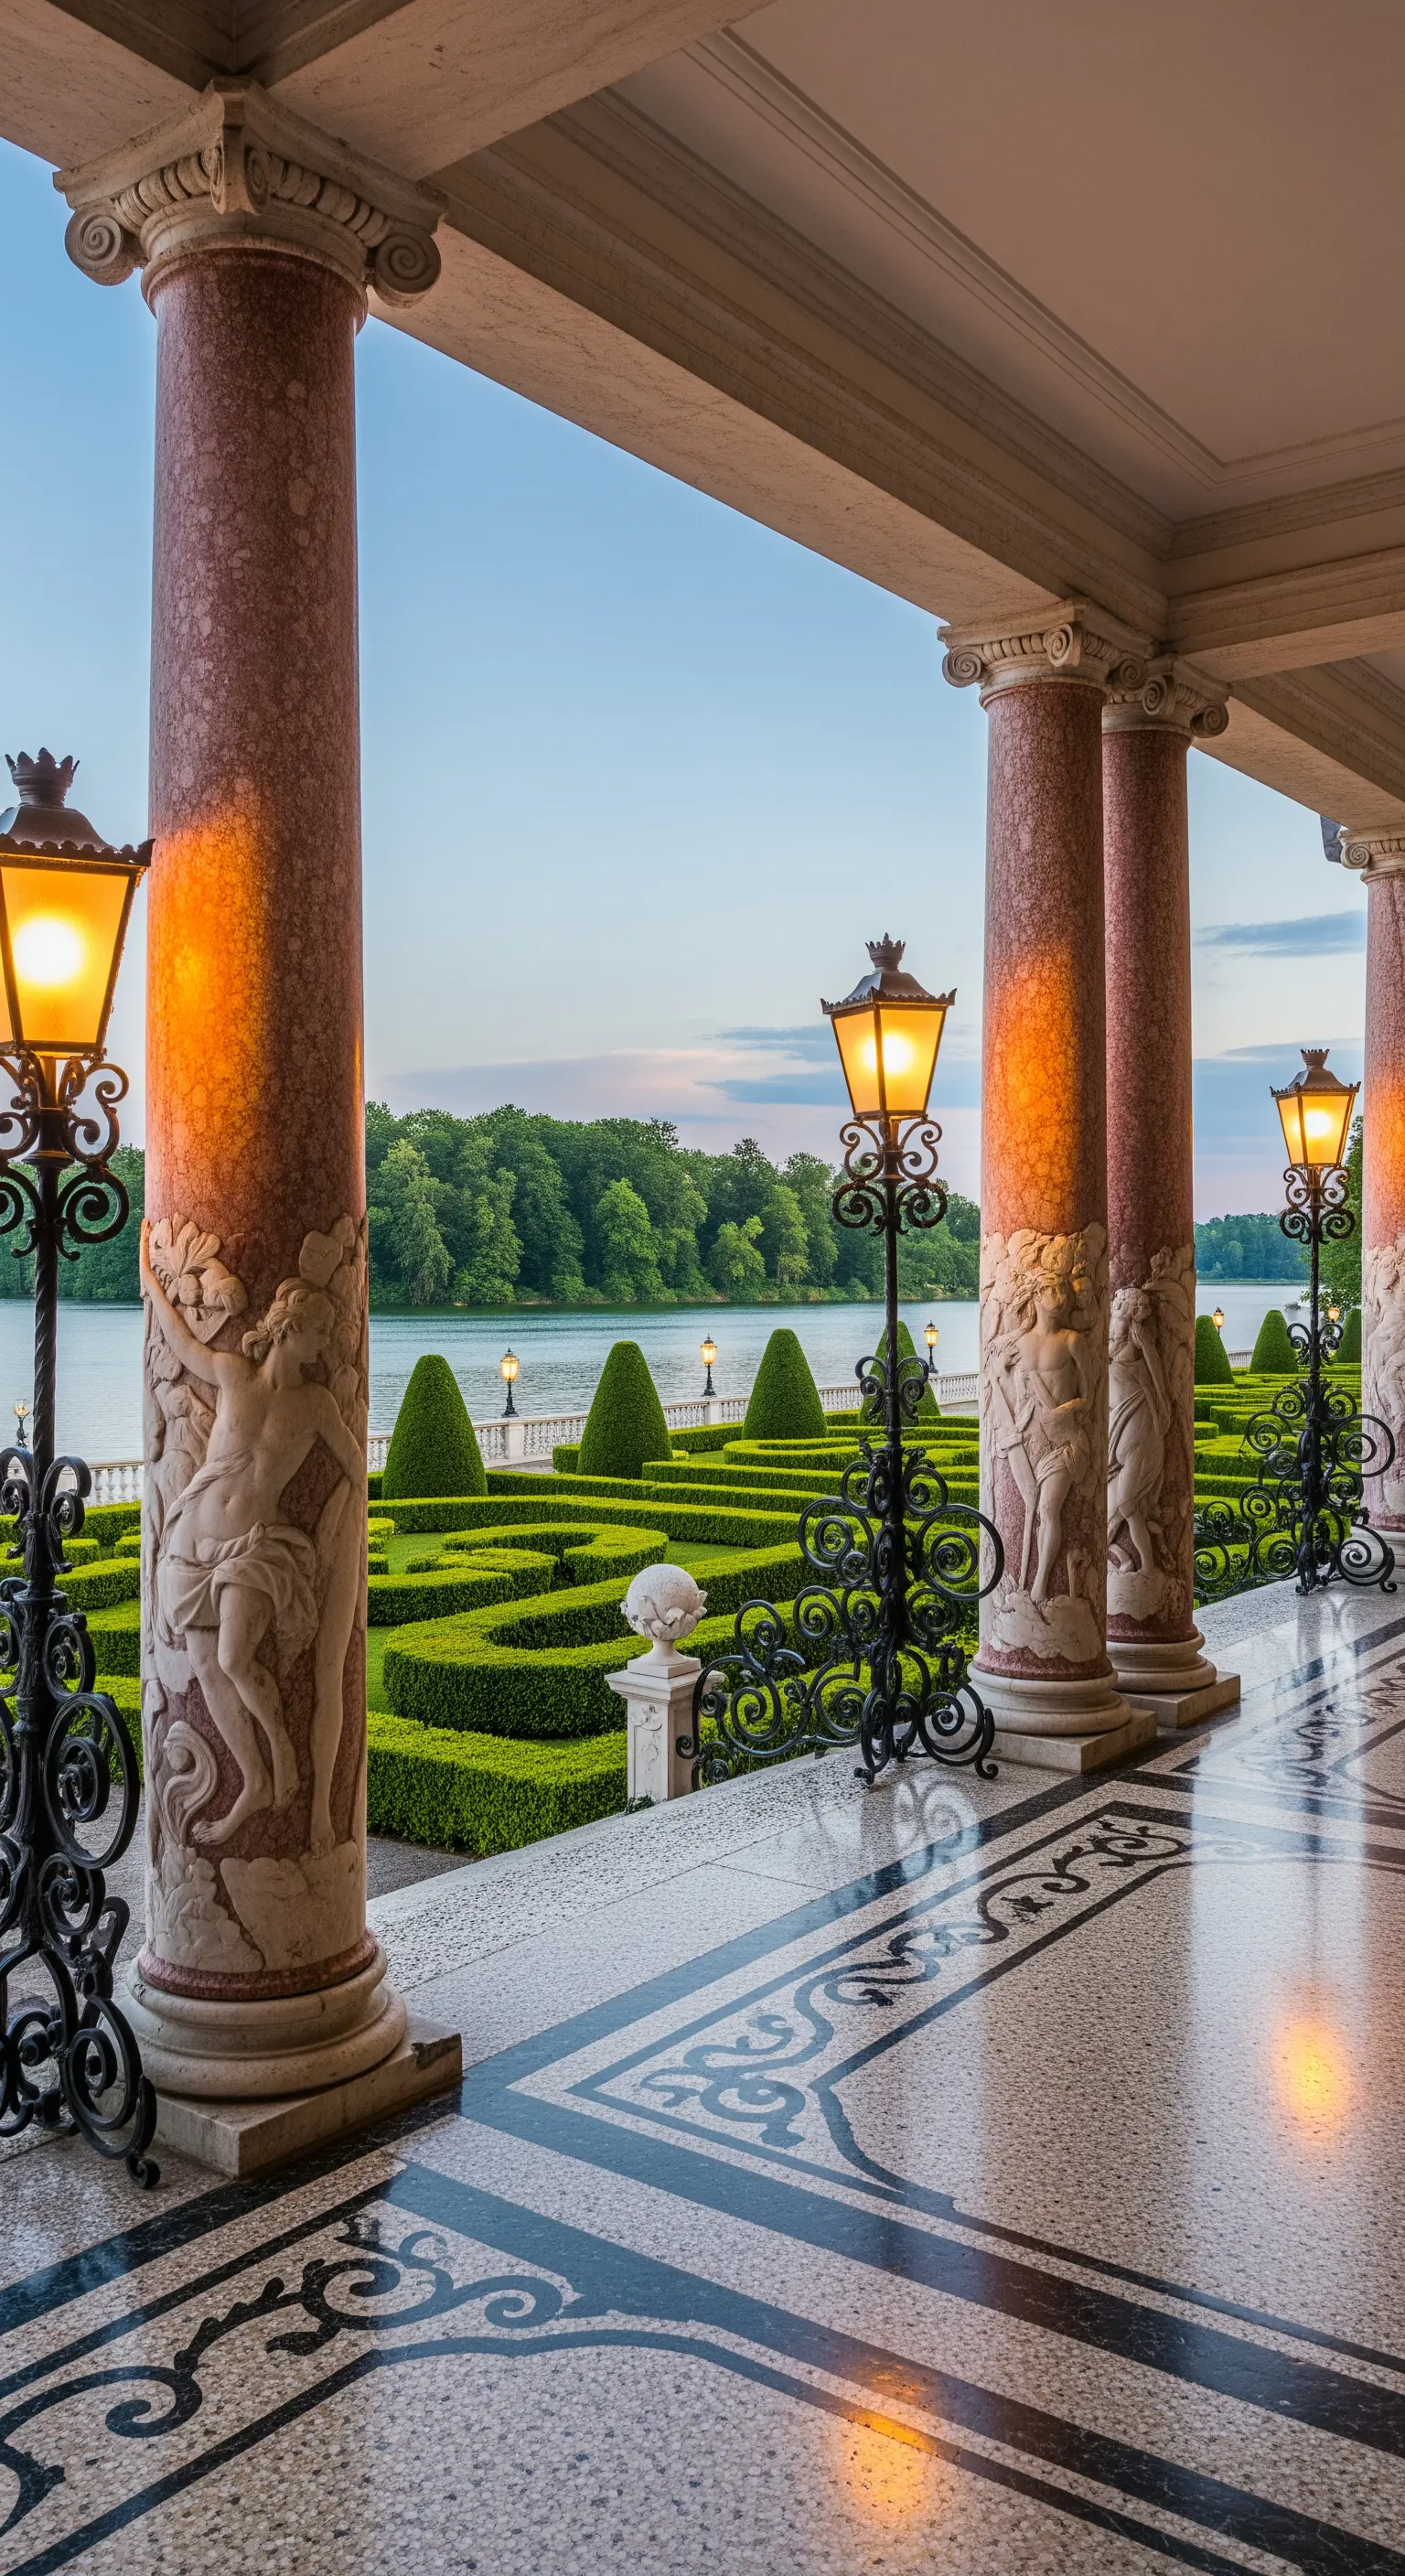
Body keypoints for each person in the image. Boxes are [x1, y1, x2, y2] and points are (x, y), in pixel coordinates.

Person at [140, 1223, 365, 1849]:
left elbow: (353, 1469)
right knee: (211, 1667)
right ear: (290, 1329)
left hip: (255, 1551)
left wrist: (336, 1532)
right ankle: (256, 1783)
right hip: (191, 1543)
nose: (324, 1343)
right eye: (318, 1331)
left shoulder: (317, 1404)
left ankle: (282, 1761)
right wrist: (151, 1283)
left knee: (236, 1658)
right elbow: (183, 1344)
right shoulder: (234, 1374)